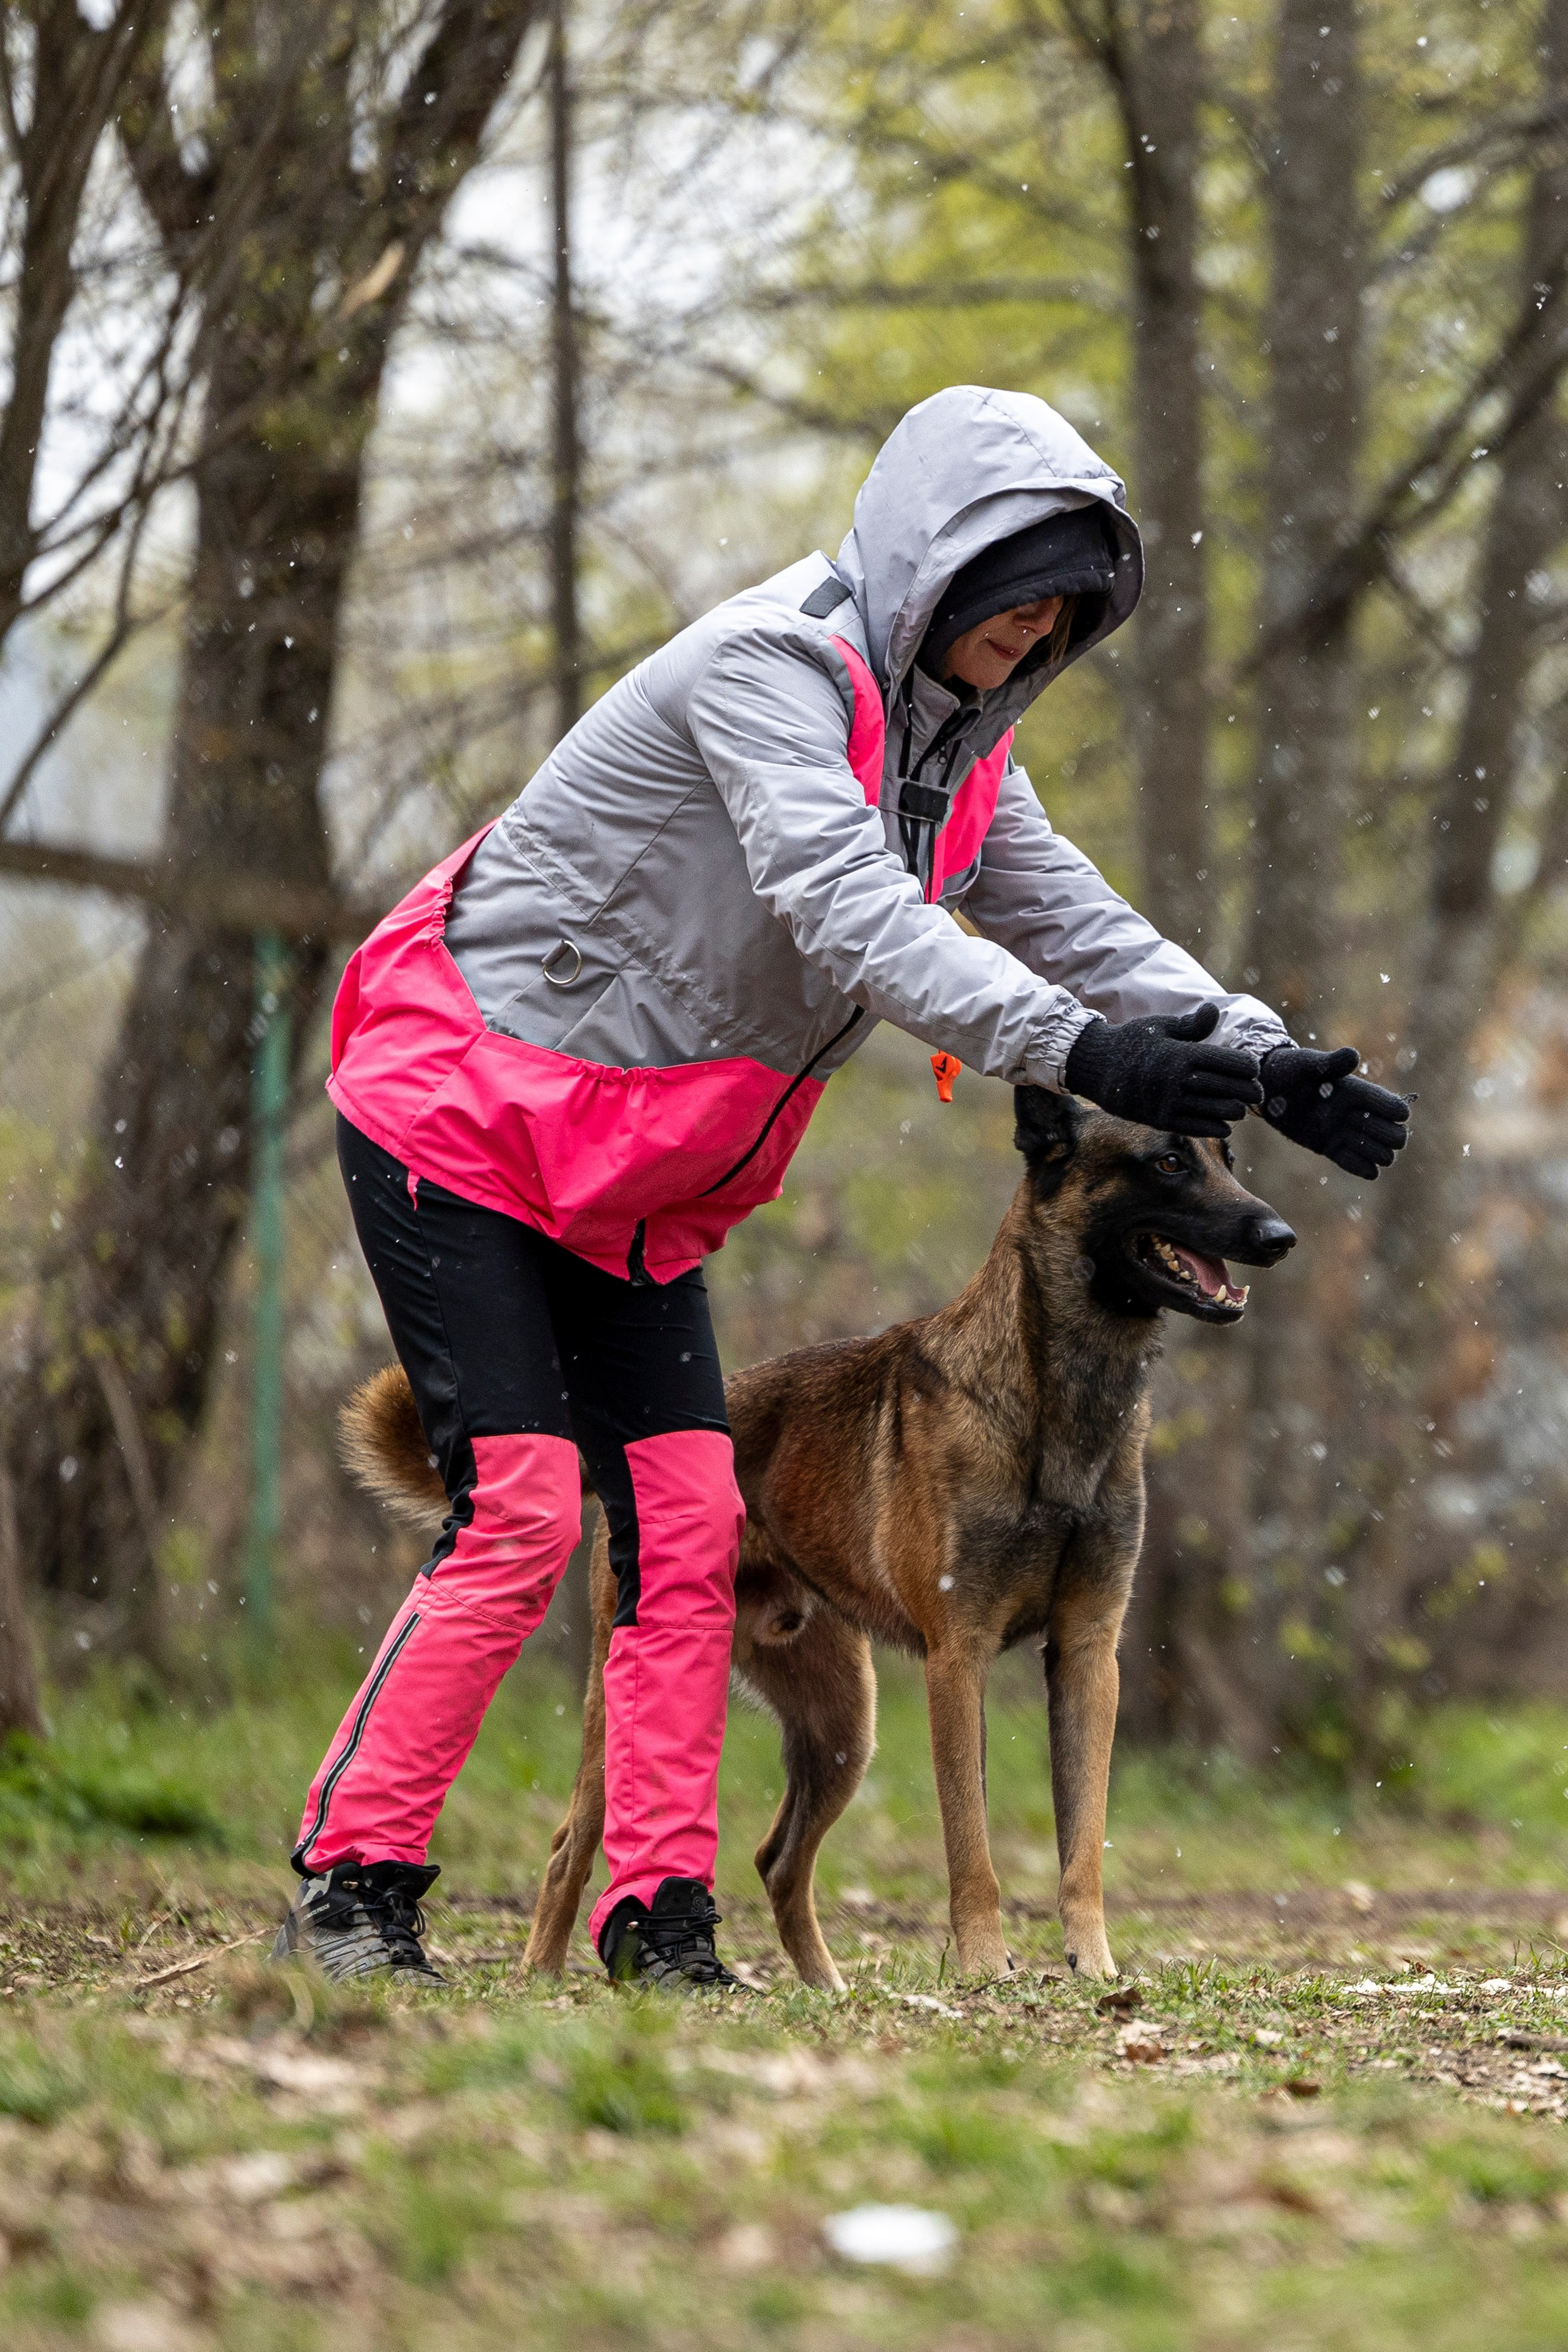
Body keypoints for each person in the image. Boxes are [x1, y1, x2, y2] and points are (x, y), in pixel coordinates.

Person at [272, 385, 1409, 1991]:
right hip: (459, 1108)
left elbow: (1083, 925)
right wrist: (1092, 1053)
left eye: (1056, 626)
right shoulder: (770, 670)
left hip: (636, 1181)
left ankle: (659, 1921)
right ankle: (350, 1883)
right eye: (1010, 607)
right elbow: (852, 917)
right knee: (524, 1507)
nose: (1028, 644)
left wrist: (1267, 1053)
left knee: (686, 1523)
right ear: (931, 565)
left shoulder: (964, 760)